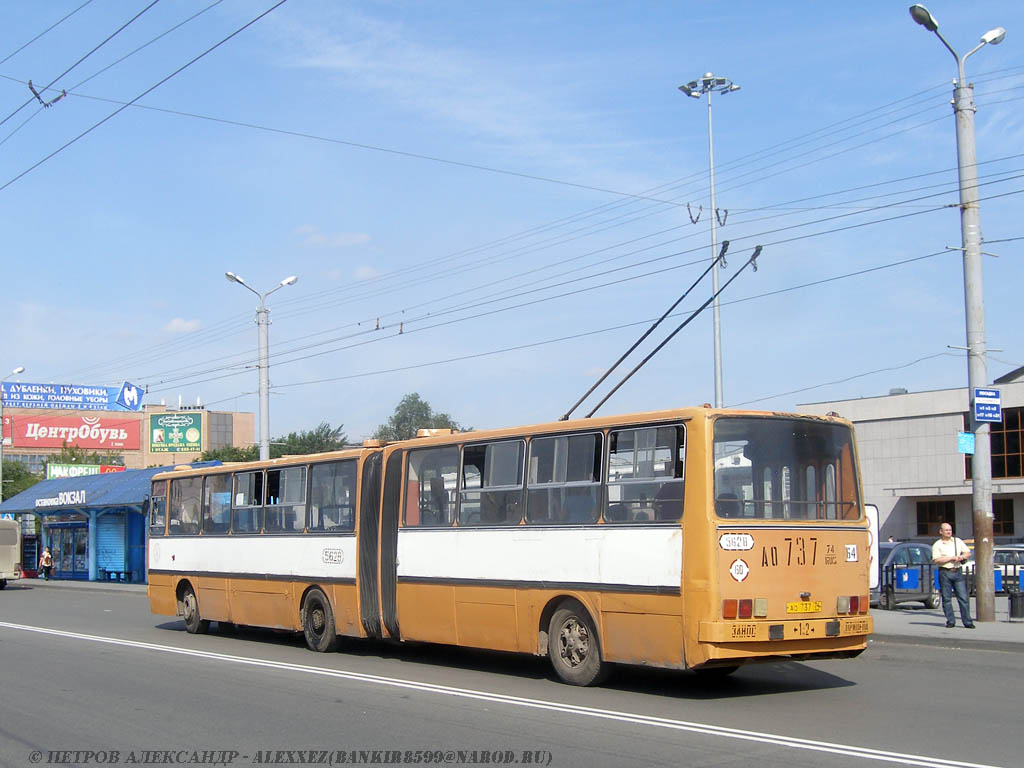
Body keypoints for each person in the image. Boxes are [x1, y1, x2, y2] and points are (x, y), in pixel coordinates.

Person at [931, 523, 975, 628]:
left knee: (963, 597)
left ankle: (967, 622)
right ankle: (950, 621)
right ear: (941, 531)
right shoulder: (937, 544)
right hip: (945, 572)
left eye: (950, 530)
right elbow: (936, 560)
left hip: (957, 572)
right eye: (946, 530)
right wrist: (951, 558)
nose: (949, 532)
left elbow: (968, 553)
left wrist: (961, 557)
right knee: (947, 598)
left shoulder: (957, 541)